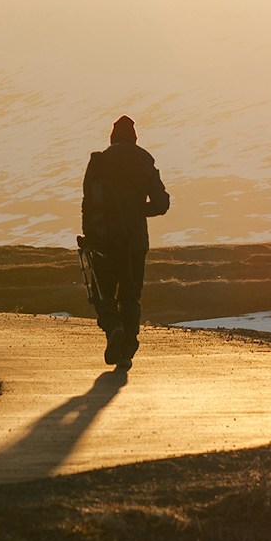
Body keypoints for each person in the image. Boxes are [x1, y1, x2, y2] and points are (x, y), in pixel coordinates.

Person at [80, 114, 170, 368]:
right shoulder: (145, 162)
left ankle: (113, 327)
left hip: (105, 241)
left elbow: (89, 204)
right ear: (134, 138)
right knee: (130, 295)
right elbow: (162, 204)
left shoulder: (100, 162)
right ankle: (128, 347)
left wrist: (89, 236)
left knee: (103, 293)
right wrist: (139, 211)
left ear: (112, 137)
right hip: (136, 242)